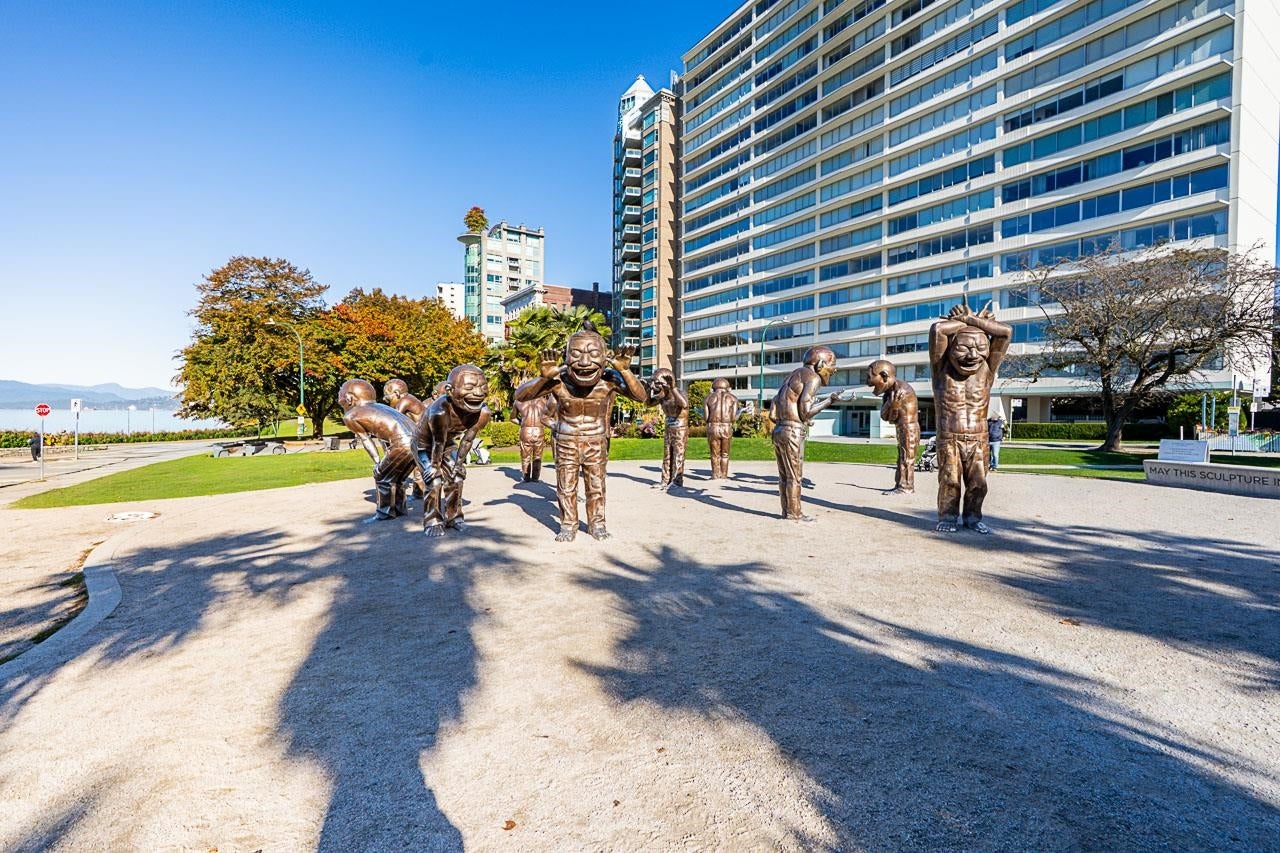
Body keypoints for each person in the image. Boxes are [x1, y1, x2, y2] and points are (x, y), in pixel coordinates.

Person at [514, 321, 647, 541]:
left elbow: (641, 397)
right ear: (566, 357)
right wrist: (544, 377)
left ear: (604, 357)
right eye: (576, 354)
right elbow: (521, 395)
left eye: (593, 354)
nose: (584, 362)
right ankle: (568, 525)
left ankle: (597, 524)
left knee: (596, 486)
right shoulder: (558, 380)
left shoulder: (609, 380)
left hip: (596, 440)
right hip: (567, 441)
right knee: (566, 486)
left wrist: (625, 371)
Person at [929, 304, 1012, 534]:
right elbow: (938, 330)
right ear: (951, 348)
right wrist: (968, 321)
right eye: (963, 348)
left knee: (979, 484)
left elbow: (1005, 332)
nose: (973, 355)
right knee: (950, 481)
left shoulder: (987, 370)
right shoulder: (941, 370)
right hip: (949, 437)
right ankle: (948, 516)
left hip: (979, 437)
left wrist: (970, 320)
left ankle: (973, 518)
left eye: (980, 348)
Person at [769, 346, 849, 521]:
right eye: (832, 365)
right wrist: (830, 400)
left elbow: (773, 414)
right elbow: (805, 412)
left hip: (779, 430)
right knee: (794, 477)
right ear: (821, 364)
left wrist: (794, 419)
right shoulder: (813, 378)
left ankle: (787, 511)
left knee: (784, 476)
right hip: (793, 432)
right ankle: (794, 513)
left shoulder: (791, 376)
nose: (834, 370)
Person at [416, 364, 492, 536]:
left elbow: (467, 440)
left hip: (447, 444)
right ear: (450, 391)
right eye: (469, 388)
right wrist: (434, 467)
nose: (478, 393)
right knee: (434, 479)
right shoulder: (439, 411)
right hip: (424, 445)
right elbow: (437, 442)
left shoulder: (483, 413)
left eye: (483, 387)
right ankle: (433, 520)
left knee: (457, 477)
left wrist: (458, 464)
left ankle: (454, 517)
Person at [338, 379, 423, 521]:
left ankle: (385, 513)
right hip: (418, 441)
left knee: (382, 476)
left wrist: (378, 462)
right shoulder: (381, 407)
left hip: (402, 443)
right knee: (398, 478)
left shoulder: (351, 415)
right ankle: (399, 510)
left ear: (349, 398)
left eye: (341, 393)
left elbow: (366, 440)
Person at [866, 359, 920, 494]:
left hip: (909, 429)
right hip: (902, 428)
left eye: (870, 377)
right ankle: (900, 485)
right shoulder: (890, 392)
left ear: (884, 376)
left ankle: (905, 487)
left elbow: (890, 417)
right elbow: (886, 417)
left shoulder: (901, 390)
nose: (868, 382)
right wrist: (891, 406)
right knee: (902, 457)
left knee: (906, 458)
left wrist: (893, 407)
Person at [647, 368, 689, 490]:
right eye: (652, 382)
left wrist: (673, 388)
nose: (653, 386)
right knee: (667, 456)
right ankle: (665, 481)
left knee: (678, 455)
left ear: (668, 383)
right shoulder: (662, 397)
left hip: (680, 428)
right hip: (669, 427)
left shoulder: (679, 393)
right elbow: (648, 403)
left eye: (657, 383)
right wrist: (648, 390)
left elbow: (684, 404)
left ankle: (676, 481)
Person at [703, 378, 740, 480]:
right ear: (728, 387)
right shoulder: (733, 398)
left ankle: (715, 474)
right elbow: (733, 418)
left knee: (714, 454)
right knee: (725, 454)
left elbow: (706, 418)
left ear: (713, 387)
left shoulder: (708, 398)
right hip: (727, 427)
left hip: (713, 427)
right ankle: (724, 475)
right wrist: (740, 412)